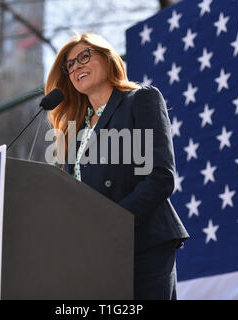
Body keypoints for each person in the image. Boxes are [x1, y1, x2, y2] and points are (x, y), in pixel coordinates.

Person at [45, 32, 189, 300]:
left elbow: (160, 177)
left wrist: (113, 224)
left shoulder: (141, 99)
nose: (76, 67)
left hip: (143, 243)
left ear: (107, 57)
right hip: (96, 255)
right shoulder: (73, 132)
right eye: (70, 65)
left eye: (84, 56)